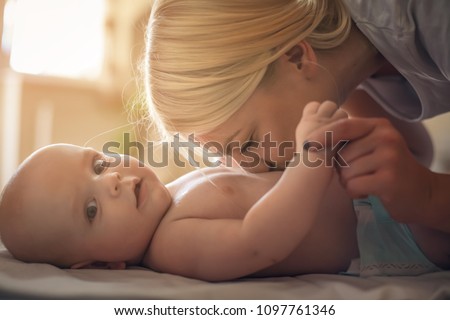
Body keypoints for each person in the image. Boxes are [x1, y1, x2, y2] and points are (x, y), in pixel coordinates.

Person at [1, 102, 448, 281]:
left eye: (98, 165)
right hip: (382, 232)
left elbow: (246, 183)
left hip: (360, 185)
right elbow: (261, 241)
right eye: (92, 209)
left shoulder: (171, 193)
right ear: (100, 263)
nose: (111, 179)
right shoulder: (171, 245)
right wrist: (310, 156)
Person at [143, 0, 450, 233]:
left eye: (248, 143)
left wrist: (429, 193)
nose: (251, 171)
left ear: (297, 57)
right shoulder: (345, 78)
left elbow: (419, 183)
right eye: (224, 157)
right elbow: (412, 158)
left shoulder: (430, 18)